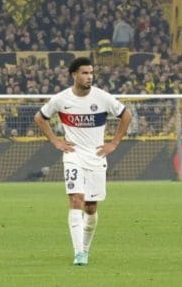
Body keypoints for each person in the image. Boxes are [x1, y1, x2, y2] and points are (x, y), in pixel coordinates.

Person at [35, 56, 132, 266]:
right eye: (85, 73)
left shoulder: (103, 98)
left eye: (91, 73)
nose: (89, 77)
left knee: (90, 207)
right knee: (76, 199)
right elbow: (40, 118)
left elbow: (127, 115)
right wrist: (55, 141)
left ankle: (86, 248)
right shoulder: (61, 99)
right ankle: (79, 253)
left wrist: (114, 143)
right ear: (74, 75)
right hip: (73, 155)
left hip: (97, 157)